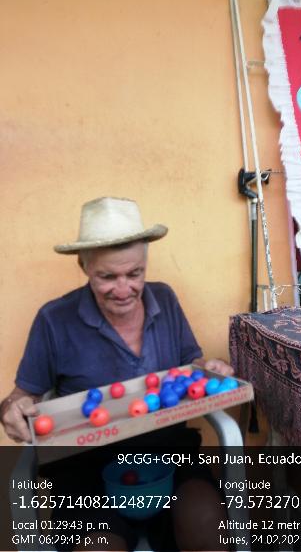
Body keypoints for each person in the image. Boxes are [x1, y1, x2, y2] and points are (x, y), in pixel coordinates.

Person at [0, 196, 233, 551]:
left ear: (145, 264)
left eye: (134, 273)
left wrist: (208, 369)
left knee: (207, 525)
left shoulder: (165, 299)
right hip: (87, 472)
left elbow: (191, 364)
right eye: (107, 276)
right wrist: (11, 410)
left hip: (169, 458)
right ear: (83, 266)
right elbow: (22, 396)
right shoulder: (54, 319)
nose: (123, 290)